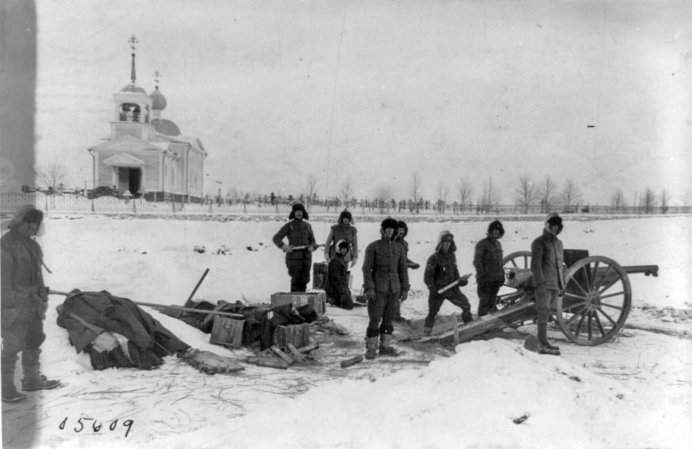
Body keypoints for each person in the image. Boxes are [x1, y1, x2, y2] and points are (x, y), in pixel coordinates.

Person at [2, 205, 61, 403]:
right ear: (19, 222)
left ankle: (32, 380)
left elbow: (38, 275)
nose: (33, 226)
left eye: (36, 223)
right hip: (15, 305)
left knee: (35, 338)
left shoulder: (33, 245)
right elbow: (2, 281)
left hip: (33, 304)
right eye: (29, 222)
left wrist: (43, 296)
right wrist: (7, 307)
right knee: (12, 344)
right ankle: (7, 388)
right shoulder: (6, 245)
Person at [362, 218, 409, 359]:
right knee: (375, 318)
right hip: (378, 289)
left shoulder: (399, 248)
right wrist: (369, 288)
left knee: (389, 319)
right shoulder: (373, 247)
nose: (389, 232)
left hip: (394, 290)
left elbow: (403, 270)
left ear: (395, 231)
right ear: (382, 231)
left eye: (392, 229)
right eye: (386, 229)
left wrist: (405, 288)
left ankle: (385, 346)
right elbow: (366, 269)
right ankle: (371, 348)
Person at [423, 230, 473, 336]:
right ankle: (426, 334)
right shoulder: (434, 258)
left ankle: (470, 328)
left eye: (449, 243)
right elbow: (427, 277)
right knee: (432, 312)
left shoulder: (452, 256)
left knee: (466, 305)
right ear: (440, 244)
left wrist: (461, 281)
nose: (447, 245)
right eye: (444, 243)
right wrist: (433, 289)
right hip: (438, 291)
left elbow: (455, 274)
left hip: (452, 289)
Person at [530, 213, 564, 356]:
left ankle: (544, 340)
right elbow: (535, 265)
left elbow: (559, 266)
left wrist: (561, 284)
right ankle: (541, 341)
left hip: (555, 283)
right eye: (552, 226)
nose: (555, 229)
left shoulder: (558, 243)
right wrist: (540, 283)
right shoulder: (539, 242)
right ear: (547, 226)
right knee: (543, 311)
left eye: (557, 226)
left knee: (548, 311)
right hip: (544, 284)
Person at [272, 203, 317, 292]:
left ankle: (303, 302)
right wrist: (285, 247)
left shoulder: (307, 226)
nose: (299, 213)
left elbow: (313, 241)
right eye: (297, 211)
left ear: (303, 213)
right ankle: (295, 302)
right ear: (293, 213)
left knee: (304, 280)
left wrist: (312, 247)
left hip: (306, 258)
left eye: (300, 211)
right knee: (296, 280)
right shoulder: (289, 226)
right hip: (293, 258)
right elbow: (276, 238)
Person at [473, 220, 505, 317]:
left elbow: (500, 263)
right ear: (490, 231)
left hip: (496, 280)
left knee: (491, 303)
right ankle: (480, 326)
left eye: (498, 230)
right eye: (494, 230)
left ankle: (489, 325)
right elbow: (477, 262)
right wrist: (483, 276)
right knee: (484, 304)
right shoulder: (482, 244)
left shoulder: (498, 244)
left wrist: (501, 276)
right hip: (486, 280)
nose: (496, 232)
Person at [324, 240, 354, 310]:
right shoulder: (334, 261)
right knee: (349, 306)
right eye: (342, 249)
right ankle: (330, 299)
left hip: (339, 288)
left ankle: (334, 300)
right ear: (339, 249)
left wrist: (347, 290)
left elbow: (343, 279)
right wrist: (342, 292)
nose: (344, 251)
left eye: (345, 249)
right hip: (333, 289)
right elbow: (335, 279)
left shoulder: (341, 260)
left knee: (350, 303)